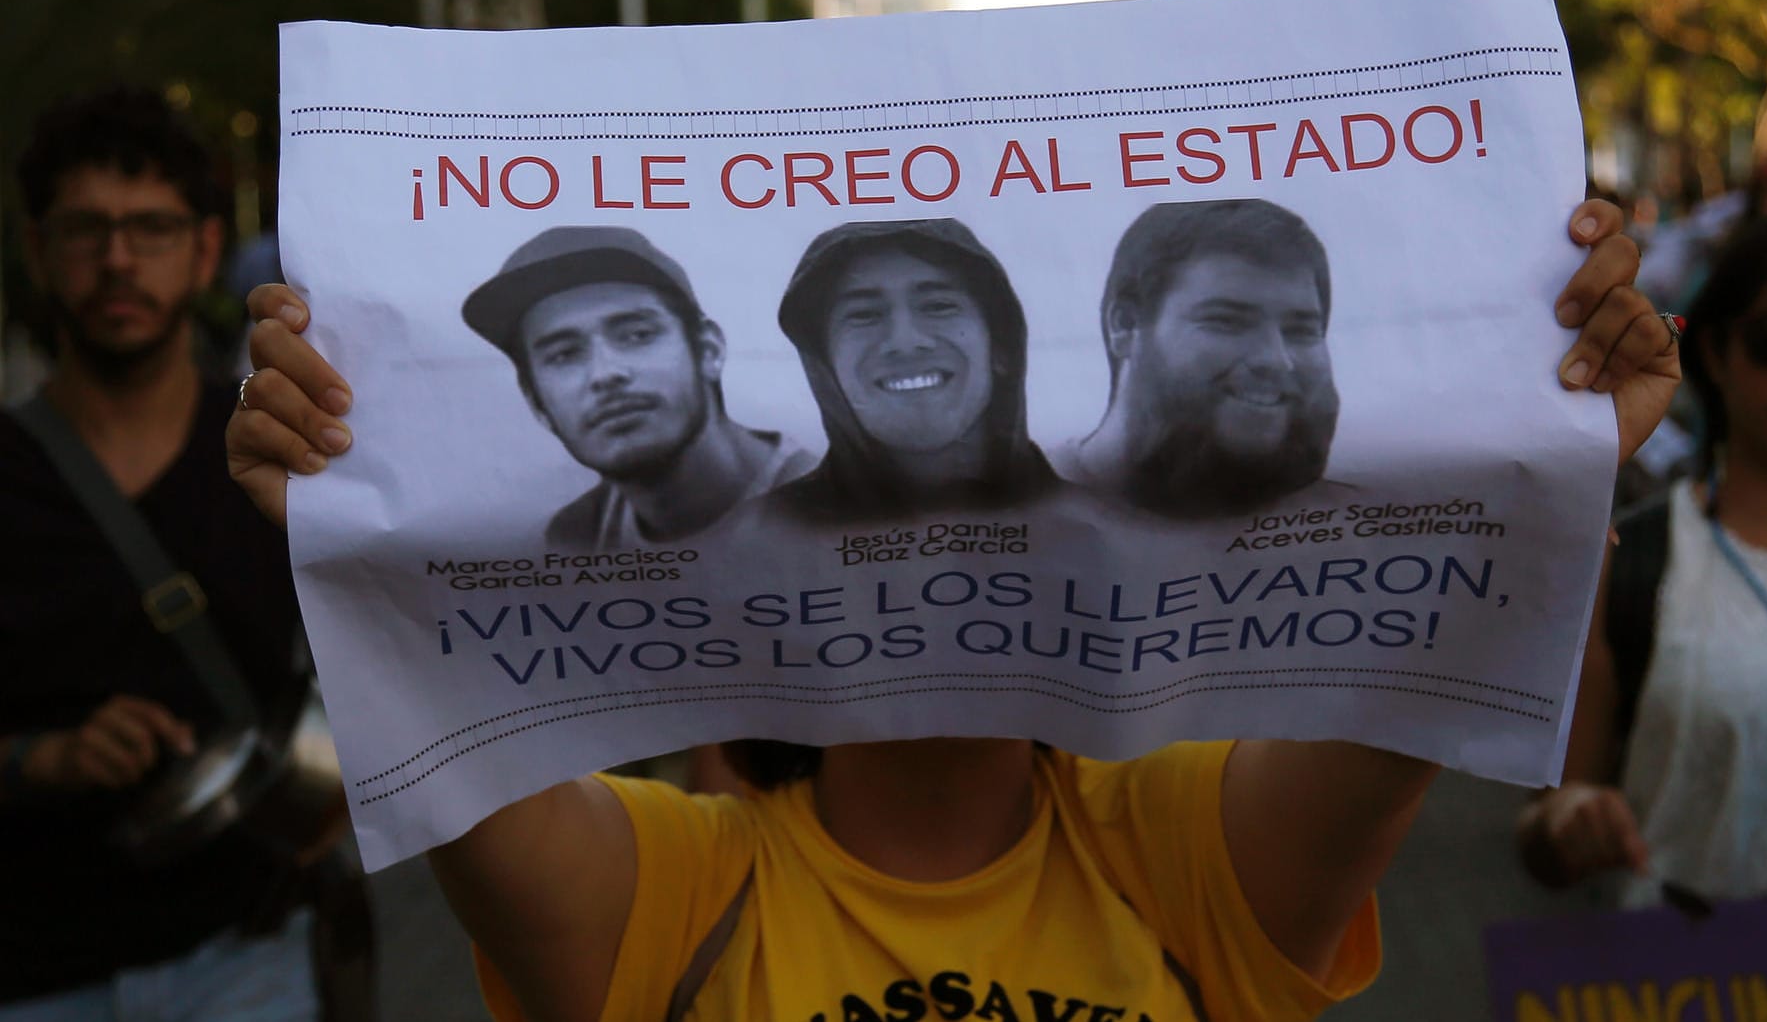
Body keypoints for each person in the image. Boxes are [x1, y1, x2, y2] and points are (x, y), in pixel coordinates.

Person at [229, 197, 1668, 1021]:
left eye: (985, 528)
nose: (939, 566)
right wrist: (350, 521)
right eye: (879, 533)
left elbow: (1408, 684)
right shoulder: (674, 887)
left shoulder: (1181, 853)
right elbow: (454, 742)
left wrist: (1553, 438)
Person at [0, 87, 325, 1017]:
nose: (117, 260)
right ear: (37, 249)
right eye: (85, 229)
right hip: (34, 972)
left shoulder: (281, 452)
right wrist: (41, 759)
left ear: (205, 251)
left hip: (252, 957)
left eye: (150, 227)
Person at [1516, 210, 1767, 907]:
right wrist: (1569, 821)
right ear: (1716, 353)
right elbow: (1545, 819)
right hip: (1685, 982)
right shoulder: (1632, 562)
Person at [461, 225, 814, 547]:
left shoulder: (843, 512)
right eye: (564, 355)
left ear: (708, 350)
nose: (605, 374)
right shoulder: (575, 542)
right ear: (537, 403)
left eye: (637, 335)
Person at [1055, 199, 1341, 519]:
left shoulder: (1365, 524)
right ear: (1125, 326)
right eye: (1227, 322)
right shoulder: (1019, 517)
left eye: (1301, 331)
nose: (1275, 360)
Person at [761, 218, 1059, 524]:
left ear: (1001, 349)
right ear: (825, 366)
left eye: (938, 306)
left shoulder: (1100, 535)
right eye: (864, 314)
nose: (904, 341)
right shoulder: (748, 550)